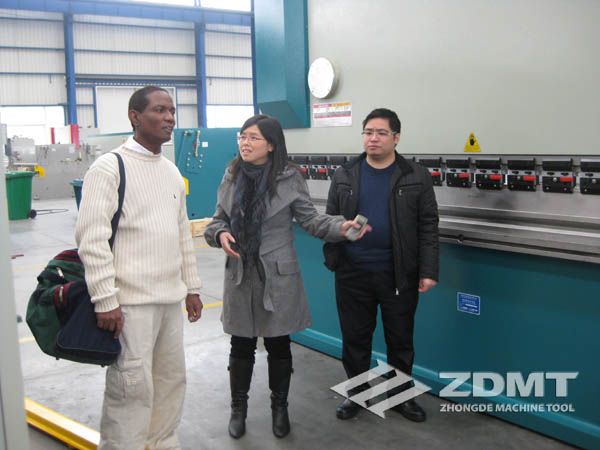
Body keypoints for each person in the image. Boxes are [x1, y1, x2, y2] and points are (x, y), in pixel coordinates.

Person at [204, 114, 368, 440]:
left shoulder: (289, 178)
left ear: (271, 144)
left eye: (253, 137)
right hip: (240, 274)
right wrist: (220, 233)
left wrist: (341, 227)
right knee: (241, 344)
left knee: (279, 345)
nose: (245, 143)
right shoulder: (232, 174)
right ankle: (238, 408)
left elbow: (311, 220)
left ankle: (280, 408)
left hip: (277, 276)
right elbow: (218, 219)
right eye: (242, 136)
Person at [75, 86, 203, 450]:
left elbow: (181, 234)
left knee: (170, 381)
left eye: (172, 111)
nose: (169, 118)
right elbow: (91, 238)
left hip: (169, 302)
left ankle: (162, 443)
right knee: (130, 390)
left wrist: (192, 288)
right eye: (159, 110)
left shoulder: (171, 172)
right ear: (135, 116)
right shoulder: (109, 168)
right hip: (130, 306)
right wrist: (105, 300)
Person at [324, 107, 439, 422]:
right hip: (352, 272)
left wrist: (428, 270)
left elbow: (428, 225)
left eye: (381, 133)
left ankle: (400, 398)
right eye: (368, 132)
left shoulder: (415, 175)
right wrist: (333, 256)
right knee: (355, 339)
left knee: (400, 339)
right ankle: (357, 395)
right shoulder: (345, 174)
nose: (373, 138)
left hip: (398, 274)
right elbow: (331, 220)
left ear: (396, 138)